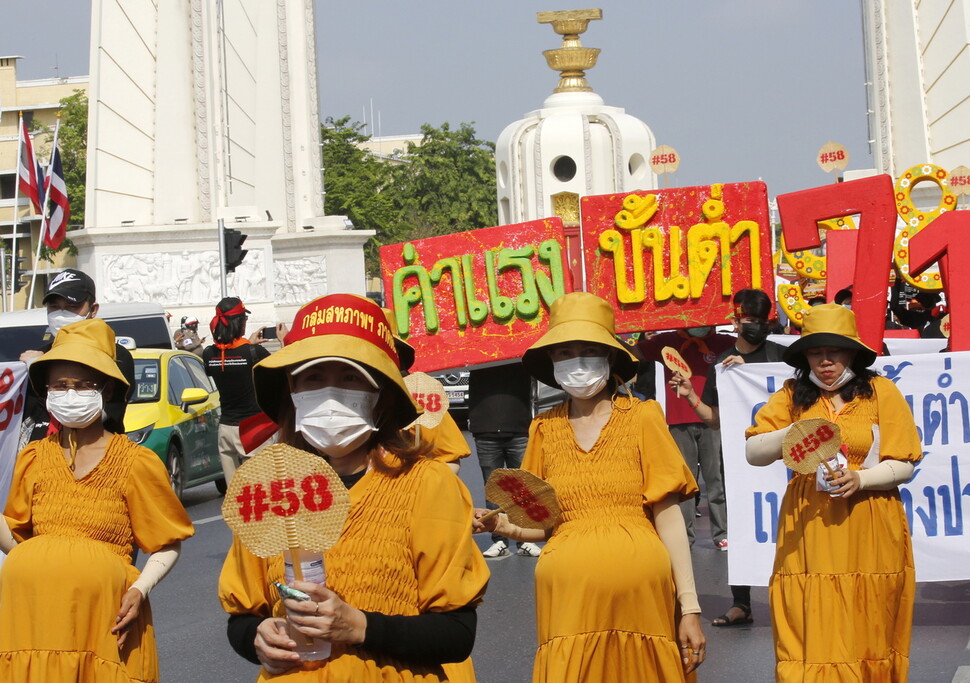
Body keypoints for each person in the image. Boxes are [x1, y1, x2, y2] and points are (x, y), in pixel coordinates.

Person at [218, 293, 489, 681]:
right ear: (292, 393)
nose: (331, 393)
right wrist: (257, 638)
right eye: (314, 378)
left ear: (380, 397)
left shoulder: (428, 484)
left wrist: (360, 627)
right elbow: (243, 616)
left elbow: (457, 635)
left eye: (350, 378)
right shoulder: (267, 488)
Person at [475, 292, 705, 681]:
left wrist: (690, 607)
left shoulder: (643, 417)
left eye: (587, 350)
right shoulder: (543, 429)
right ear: (551, 362)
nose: (575, 361)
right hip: (569, 607)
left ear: (611, 357)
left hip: (643, 603)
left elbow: (668, 517)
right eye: (563, 352)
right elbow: (544, 526)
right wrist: (500, 526)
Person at [0, 318, 194, 681]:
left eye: (83, 385)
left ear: (105, 390)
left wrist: (140, 588)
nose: (70, 393)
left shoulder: (136, 462)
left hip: (103, 620)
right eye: (60, 385)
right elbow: (17, 539)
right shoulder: (33, 457)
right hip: (34, 623)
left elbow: (168, 543)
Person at [744, 304, 921, 680]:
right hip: (808, 526)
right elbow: (754, 452)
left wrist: (862, 480)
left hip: (869, 522)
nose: (825, 360)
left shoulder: (880, 392)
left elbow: (904, 463)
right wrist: (795, 432)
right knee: (809, 619)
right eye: (815, 351)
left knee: (868, 618)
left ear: (853, 351)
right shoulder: (792, 395)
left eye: (834, 350)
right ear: (804, 355)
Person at [669, 288, 785, 627]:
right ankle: (741, 602)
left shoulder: (781, 357)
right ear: (735, 321)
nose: (753, 326)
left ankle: (793, 592)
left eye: (759, 321)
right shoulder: (725, 365)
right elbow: (715, 418)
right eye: (747, 320)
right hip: (742, 461)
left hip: (784, 458)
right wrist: (690, 395)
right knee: (742, 526)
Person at [637, 326, 735, 550]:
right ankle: (685, 536)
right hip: (678, 421)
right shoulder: (667, 340)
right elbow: (634, 353)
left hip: (712, 418)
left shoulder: (724, 342)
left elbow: (752, 352)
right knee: (684, 484)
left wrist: (741, 358)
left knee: (716, 481)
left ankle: (722, 533)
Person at [19, 269, 135, 444]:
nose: (62, 314)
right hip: (43, 456)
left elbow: (91, 417)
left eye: (72, 307)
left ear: (93, 309)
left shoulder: (115, 356)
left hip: (99, 455)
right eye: (54, 307)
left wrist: (36, 367)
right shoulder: (39, 356)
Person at [468, 364, 541, 558]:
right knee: (494, 490)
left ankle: (525, 539)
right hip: (485, 430)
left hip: (518, 428)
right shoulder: (475, 350)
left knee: (522, 488)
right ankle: (499, 540)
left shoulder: (519, 352)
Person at [202, 297, 278, 484]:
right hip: (253, 430)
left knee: (236, 498)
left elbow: (229, 359)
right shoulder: (254, 353)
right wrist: (284, 342)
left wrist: (247, 345)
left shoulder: (209, 354)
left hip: (226, 430)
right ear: (240, 323)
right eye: (244, 319)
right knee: (262, 494)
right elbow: (282, 372)